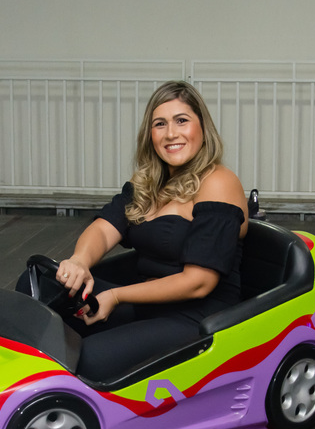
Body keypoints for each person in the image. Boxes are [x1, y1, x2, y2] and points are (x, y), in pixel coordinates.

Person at [24, 80, 249, 381]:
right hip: (146, 304)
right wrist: (79, 261)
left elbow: (199, 283)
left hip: (196, 316)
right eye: (160, 124)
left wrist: (116, 296)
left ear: (202, 128)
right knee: (38, 284)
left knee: (90, 359)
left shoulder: (218, 182)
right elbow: (103, 230)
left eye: (182, 120)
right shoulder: (148, 183)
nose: (171, 133)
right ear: (150, 134)